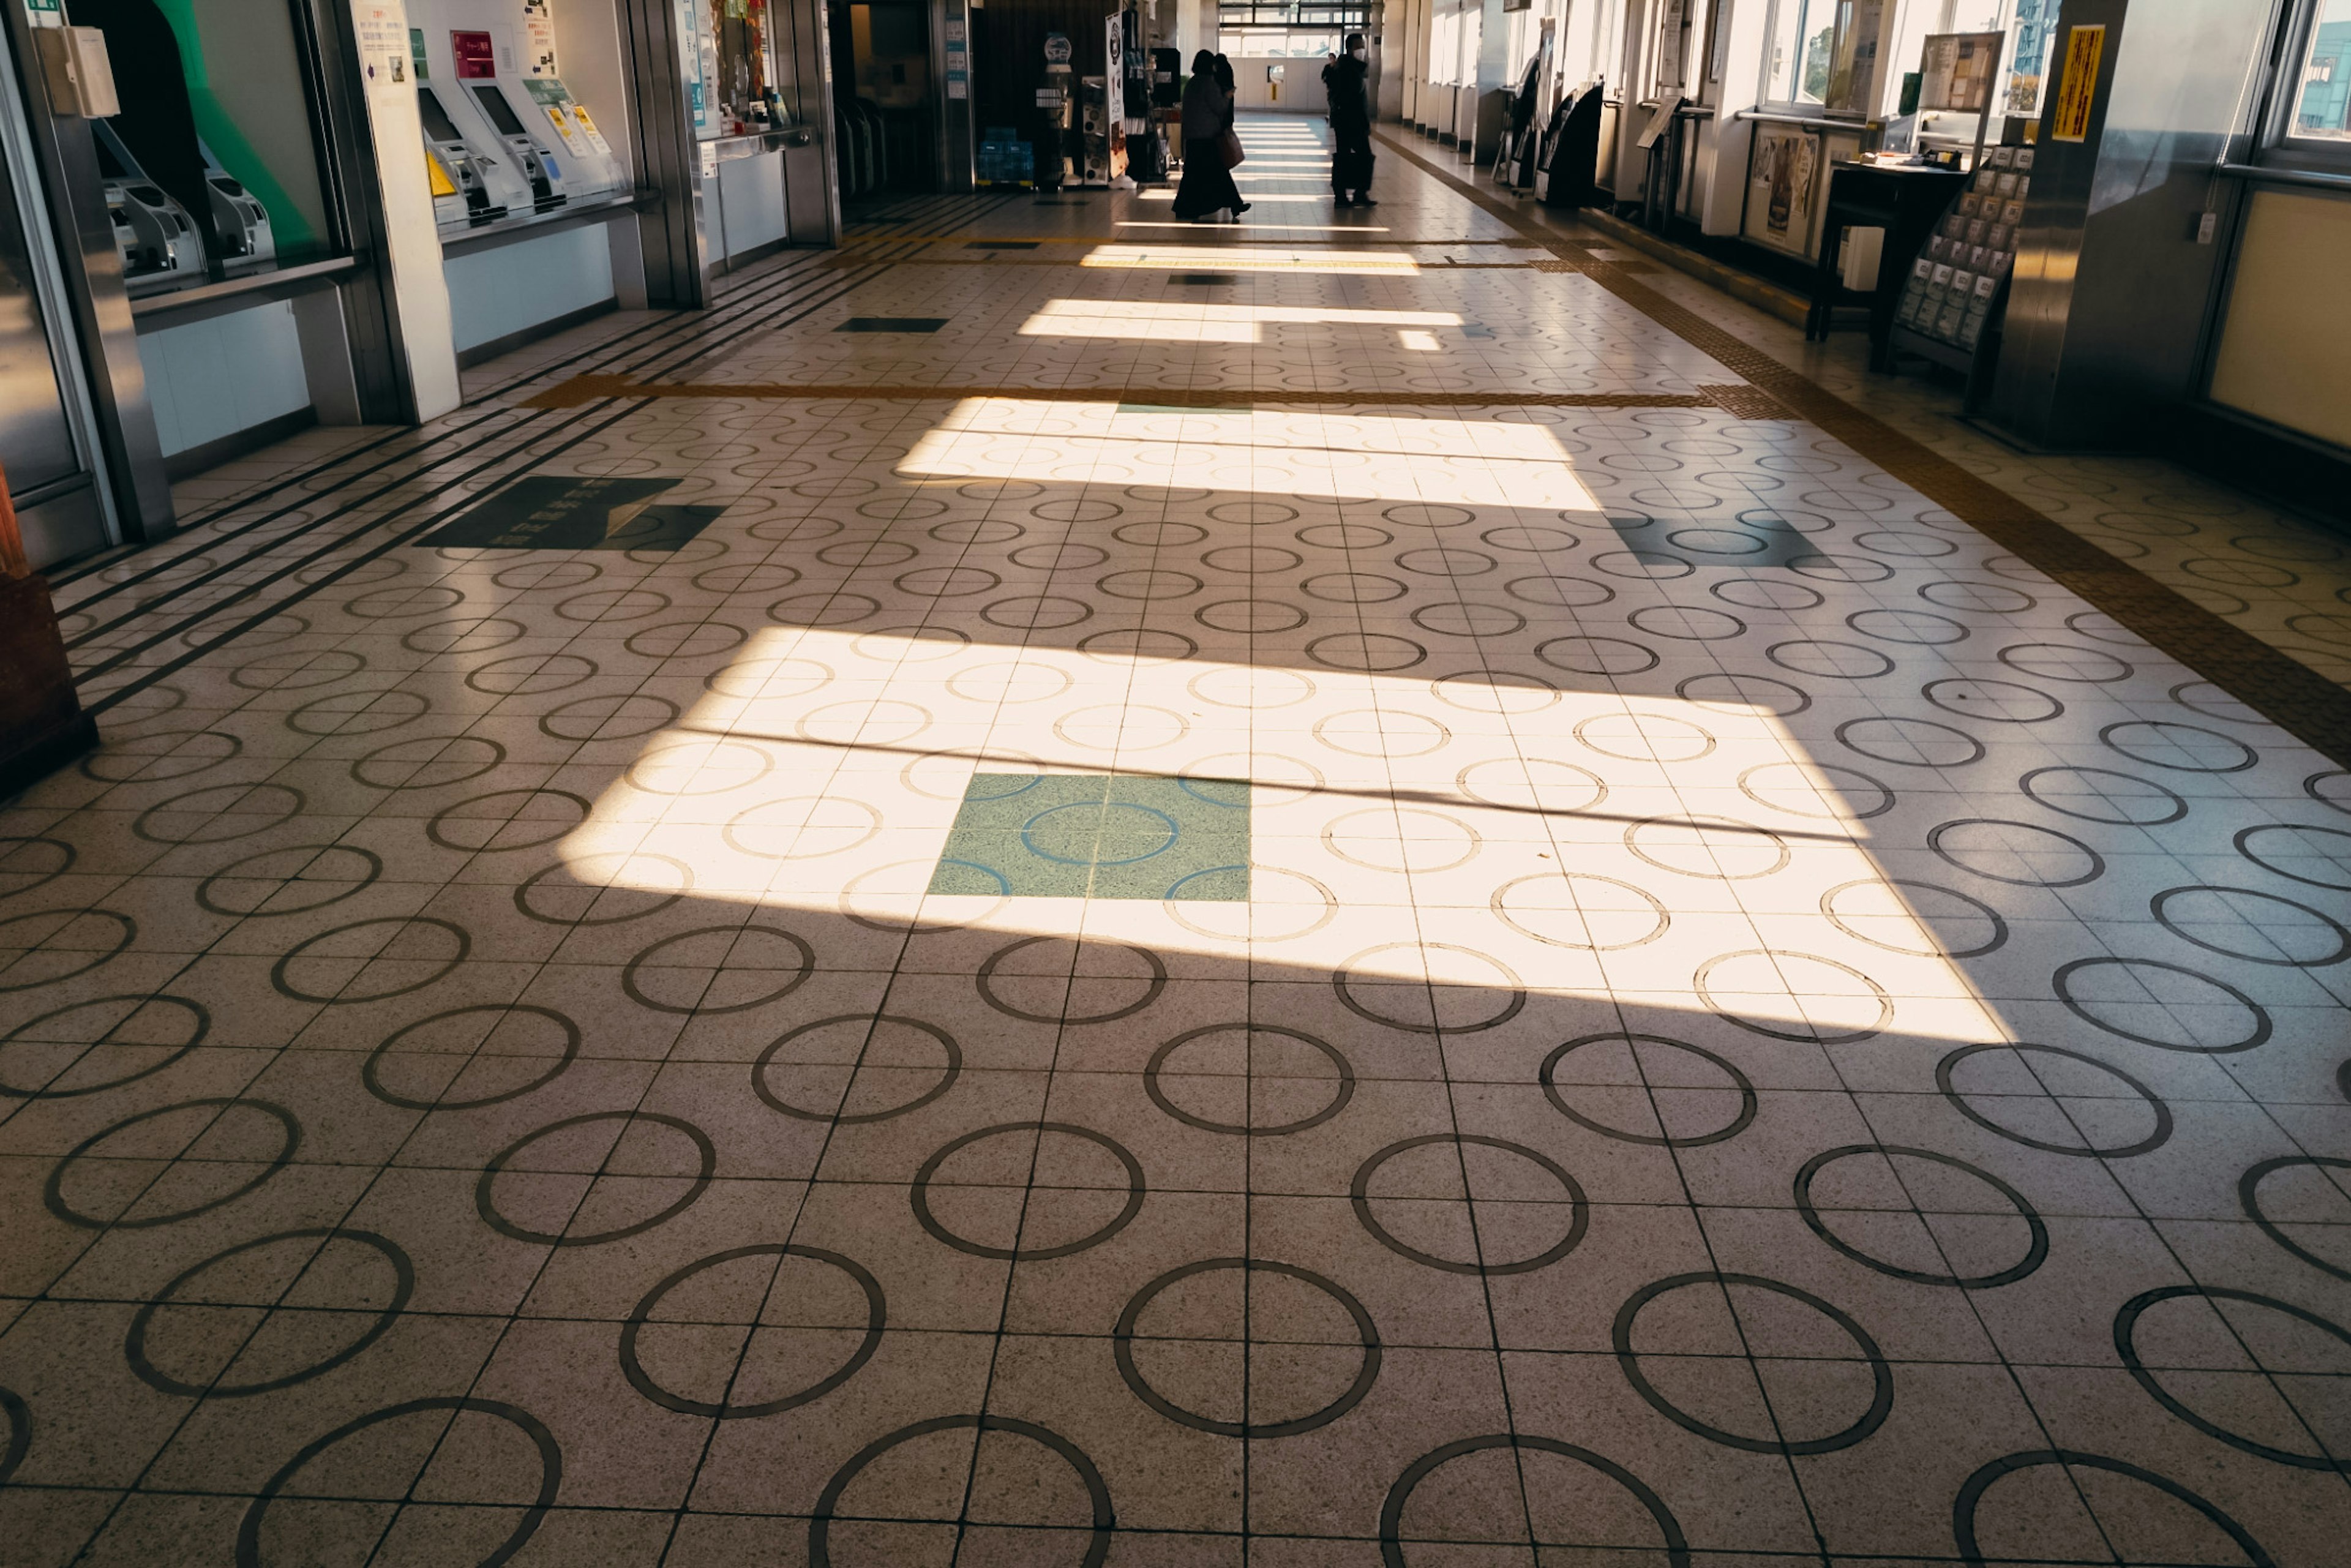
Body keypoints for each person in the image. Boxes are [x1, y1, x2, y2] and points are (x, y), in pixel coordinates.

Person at [1172, 50, 1246, 222]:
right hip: (1207, 136)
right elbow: (1219, 107)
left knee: (1193, 173)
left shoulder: (1192, 83)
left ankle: (1185, 208)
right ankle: (1235, 204)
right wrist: (1227, 97)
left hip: (1193, 135)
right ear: (1209, 65)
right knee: (1218, 171)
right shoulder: (1208, 83)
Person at [1329, 32, 1375, 208]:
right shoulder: (1346, 68)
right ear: (1349, 48)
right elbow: (1346, 97)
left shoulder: (1351, 66)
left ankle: (1347, 196)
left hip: (1349, 121)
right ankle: (1355, 194)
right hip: (1350, 122)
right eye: (1358, 46)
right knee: (1362, 158)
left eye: (1363, 46)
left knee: (1345, 158)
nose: (1362, 50)